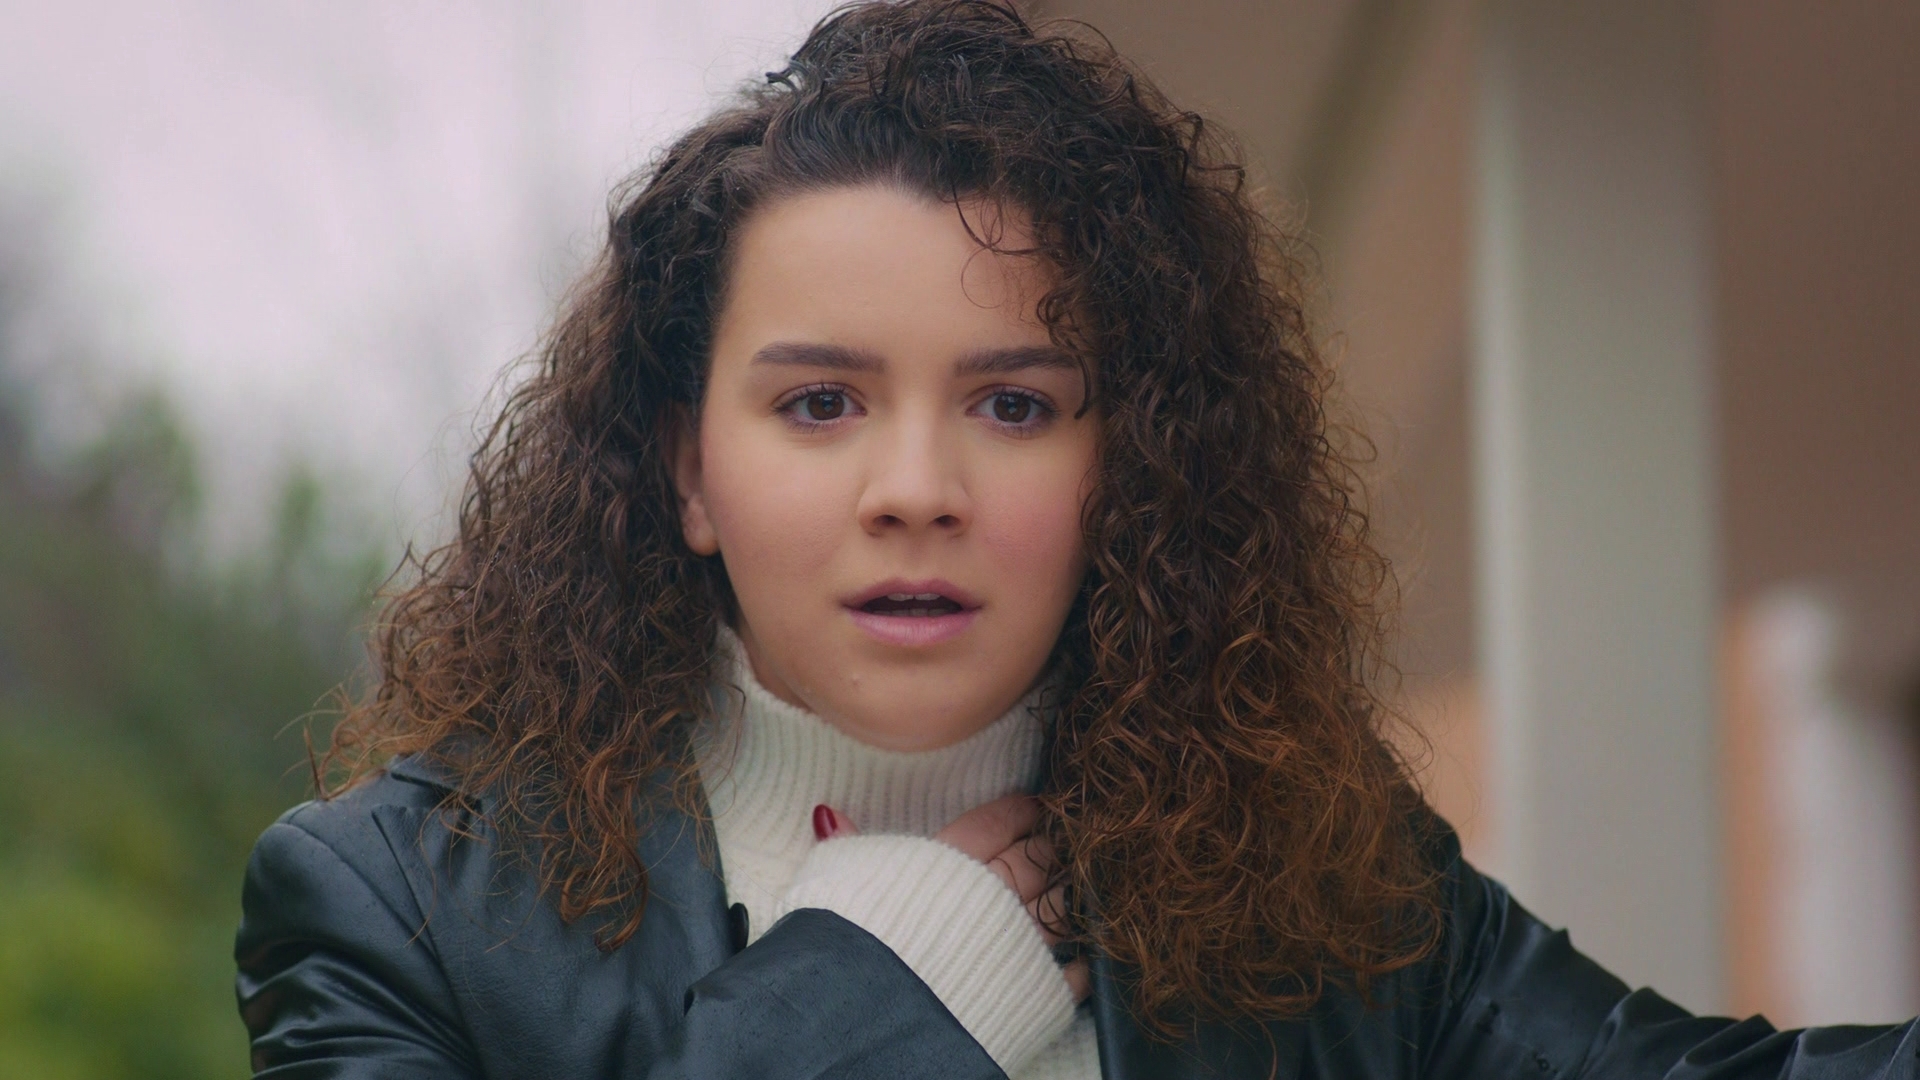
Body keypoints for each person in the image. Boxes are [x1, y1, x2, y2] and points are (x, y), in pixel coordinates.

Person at [232, 2, 1920, 1077]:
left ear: (1133, 471)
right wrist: (874, 987)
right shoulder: (399, 913)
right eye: (819, 402)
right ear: (687, 470)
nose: (917, 487)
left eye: (1015, 404)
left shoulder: (1308, 880)